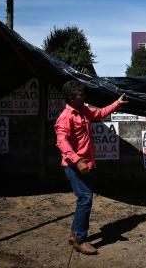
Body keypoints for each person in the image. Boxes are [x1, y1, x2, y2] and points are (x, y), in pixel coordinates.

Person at [55, 81, 128, 254]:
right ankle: (80, 239)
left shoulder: (84, 110)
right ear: (72, 98)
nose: (84, 96)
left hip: (86, 165)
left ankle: (75, 233)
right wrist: (77, 160)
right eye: (80, 94)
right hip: (74, 166)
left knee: (84, 199)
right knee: (85, 199)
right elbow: (61, 142)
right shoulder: (65, 117)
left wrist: (117, 103)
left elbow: (101, 112)